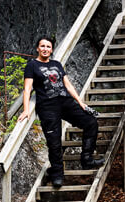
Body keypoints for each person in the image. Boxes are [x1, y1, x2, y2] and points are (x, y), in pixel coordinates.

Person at [20, 36, 104, 189]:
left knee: (90, 122)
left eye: (48, 46)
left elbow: (68, 85)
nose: (45, 49)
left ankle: (87, 159)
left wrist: (80, 102)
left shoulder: (56, 64)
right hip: (47, 107)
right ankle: (57, 174)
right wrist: (26, 109)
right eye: (42, 46)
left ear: (51, 49)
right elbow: (27, 89)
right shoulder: (32, 65)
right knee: (54, 141)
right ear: (38, 48)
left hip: (65, 102)